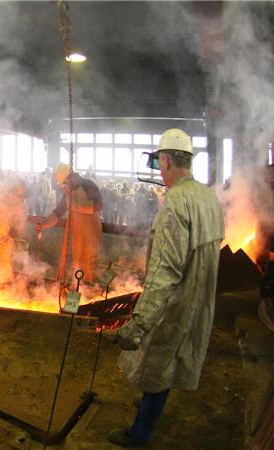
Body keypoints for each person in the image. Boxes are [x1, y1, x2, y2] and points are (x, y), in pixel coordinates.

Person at [108, 129, 224, 447]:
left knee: (157, 361)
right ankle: (149, 404)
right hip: (200, 299)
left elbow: (165, 273)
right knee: (168, 361)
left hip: (175, 303)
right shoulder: (208, 196)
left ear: (167, 160)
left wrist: (138, 324)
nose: (160, 169)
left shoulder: (175, 203)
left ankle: (140, 433)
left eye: (160, 162)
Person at [35, 163, 103, 285]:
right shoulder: (69, 193)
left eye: (64, 184)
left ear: (71, 178)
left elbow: (99, 205)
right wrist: (43, 225)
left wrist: (79, 207)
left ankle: (91, 290)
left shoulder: (88, 184)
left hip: (91, 231)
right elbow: (58, 212)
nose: (63, 187)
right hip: (78, 233)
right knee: (79, 263)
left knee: (90, 262)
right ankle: (80, 289)